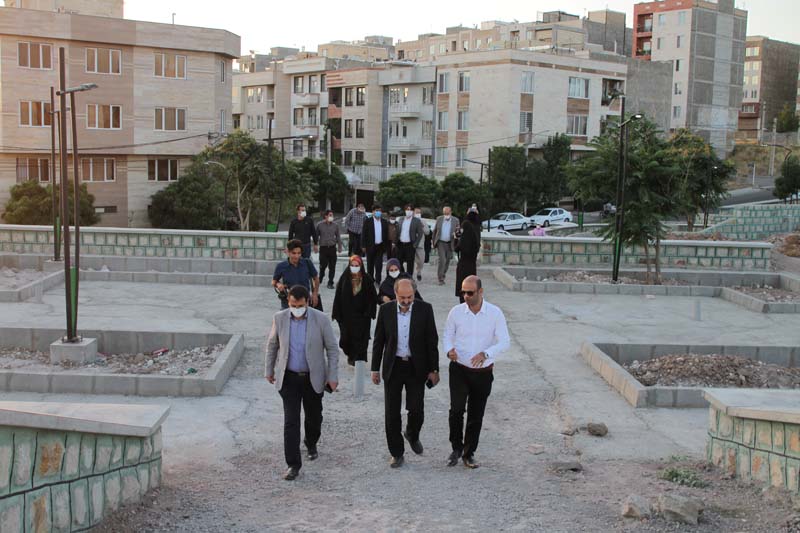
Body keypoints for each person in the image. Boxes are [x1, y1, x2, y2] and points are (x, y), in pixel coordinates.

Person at [265, 285, 340, 480]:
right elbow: (272, 345)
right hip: (288, 378)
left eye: (299, 305)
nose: (296, 309)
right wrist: (269, 370)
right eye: (292, 305)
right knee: (291, 421)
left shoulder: (320, 319)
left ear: (307, 302)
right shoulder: (280, 318)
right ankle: (293, 464)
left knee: (314, 417)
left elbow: (332, 349)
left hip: (312, 378)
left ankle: (311, 442)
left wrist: (332, 376)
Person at [443, 275, 510, 469]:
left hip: (483, 373)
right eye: (463, 292)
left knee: (476, 414)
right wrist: (449, 350)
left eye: (470, 292)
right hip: (459, 369)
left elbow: (505, 341)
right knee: (456, 410)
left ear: (480, 292)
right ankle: (456, 448)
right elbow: (447, 335)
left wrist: (486, 353)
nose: (465, 296)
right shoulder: (456, 312)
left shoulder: (495, 313)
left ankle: (469, 453)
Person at [371, 278, 439, 468]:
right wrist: (375, 368)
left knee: (416, 409)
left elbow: (431, 340)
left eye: (410, 297)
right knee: (391, 413)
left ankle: (412, 433)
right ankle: (397, 453)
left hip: (416, 367)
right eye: (402, 297)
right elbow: (379, 341)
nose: (406, 301)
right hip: (393, 366)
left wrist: (434, 369)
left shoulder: (425, 310)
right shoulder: (385, 310)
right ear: (395, 294)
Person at [331, 255, 377, 366]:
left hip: (362, 317)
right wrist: (336, 313)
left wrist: (368, 312)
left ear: (361, 266)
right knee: (345, 340)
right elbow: (338, 296)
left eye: (357, 265)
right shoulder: (344, 278)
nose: (354, 267)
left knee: (361, 340)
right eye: (352, 265)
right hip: (347, 316)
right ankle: (351, 355)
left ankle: (359, 360)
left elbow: (373, 297)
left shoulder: (367, 279)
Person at [272, 239, 320, 310]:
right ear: (288, 252)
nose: (296, 256)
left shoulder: (307, 263)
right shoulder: (281, 266)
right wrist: (278, 284)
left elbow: (316, 279)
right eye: (293, 253)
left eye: (299, 253)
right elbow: (274, 282)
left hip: (304, 301)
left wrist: (315, 294)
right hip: (287, 302)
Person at [454, 207, 481, 303]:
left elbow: (460, 245)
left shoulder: (466, 225)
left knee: (462, 284)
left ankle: (463, 302)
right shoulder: (477, 227)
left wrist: (456, 240)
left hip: (464, 262)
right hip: (472, 262)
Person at [361, 204, 389, 284]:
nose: (378, 212)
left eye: (379, 211)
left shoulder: (384, 222)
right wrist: (363, 245)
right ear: (373, 212)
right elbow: (363, 234)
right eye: (376, 211)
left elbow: (386, 235)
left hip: (380, 246)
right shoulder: (368, 221)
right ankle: (370, 280)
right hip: (370, 246)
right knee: (370, 265)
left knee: (379, 265)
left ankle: (378, 280)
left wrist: (386, 247)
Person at [433, 206, 460, 286]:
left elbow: (458, 232)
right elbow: (435, 231)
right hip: (441, 242)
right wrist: (433, 242)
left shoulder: (455, 220)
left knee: (447, 261)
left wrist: (456, 233)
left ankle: (443, 274)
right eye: (444, 213)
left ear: (451, 212)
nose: (446, 214)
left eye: (447, 213)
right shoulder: (439, 219)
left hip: (450, 243)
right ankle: (440, 278)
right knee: (442, 260)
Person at [316, 210, 343, 289]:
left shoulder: (335, 225)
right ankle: (321, 277)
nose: (332, 217)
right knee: (323, 265)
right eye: (330, 215)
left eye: (332, 215)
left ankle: (330, 282)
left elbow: (338, 236)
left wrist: (340, 246)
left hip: (332, 248)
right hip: (323, 248)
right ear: (326, 216)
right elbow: (316, 236)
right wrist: (315, 245)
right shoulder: (319, 225)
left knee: (332, 266)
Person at [397, 204, 423, 276]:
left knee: (410, 263)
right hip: (400, 244)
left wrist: (415, 244)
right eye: (407, 209)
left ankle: (409, 277)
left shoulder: (416, 221)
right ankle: (402, 275)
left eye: (410, 209)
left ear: (413, 211)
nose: (409, 211)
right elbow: (398, 230)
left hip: (410, 245)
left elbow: (420, 233)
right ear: (405, 210)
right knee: (399, 261)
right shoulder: (401, 219)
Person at [413, 208, 431, 282]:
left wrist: (423, 226)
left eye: (419, 213)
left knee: (421, 260)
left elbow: (427, 232)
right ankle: (410, 275)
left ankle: (419, 271)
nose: (418, 214)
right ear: (413, 213)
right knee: (411, 260)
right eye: (416, 212)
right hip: (411, 244)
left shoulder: (423, 221)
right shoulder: (411, 220)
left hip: (420, 244)